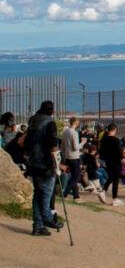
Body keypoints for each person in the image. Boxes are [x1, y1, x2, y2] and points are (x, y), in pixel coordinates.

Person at [24, 100, 62, 236]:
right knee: (46, 193)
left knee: (37, 195)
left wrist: (28, 156)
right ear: (52, 110)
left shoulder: (33, 121)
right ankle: (47, 218)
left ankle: (38, 225)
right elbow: (53, 145)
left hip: (33, 162)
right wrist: (58, 163)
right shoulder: (50, 123)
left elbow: (26, 142)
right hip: (45, 163)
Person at [60, 117, 86, 203]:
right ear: (75, 123)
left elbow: (62, 146)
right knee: (76, 177)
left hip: (67, 157)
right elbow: (75, 147)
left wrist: (64, 157)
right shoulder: (74, 133)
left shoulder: (65, 132)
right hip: (74, 157)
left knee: (73, 176)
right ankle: (65, 193)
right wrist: (82, 143)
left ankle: (76, 196)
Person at [99, 123, 124, 206]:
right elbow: (119, 152)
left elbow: (101, 151)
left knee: (111, 177)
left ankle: (103, 191)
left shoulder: (103, 139)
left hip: (108, 161)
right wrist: (123, 160)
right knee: (115, 179)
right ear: (114, 130)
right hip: (115, 161)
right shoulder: (116, 140)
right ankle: (114, 198)